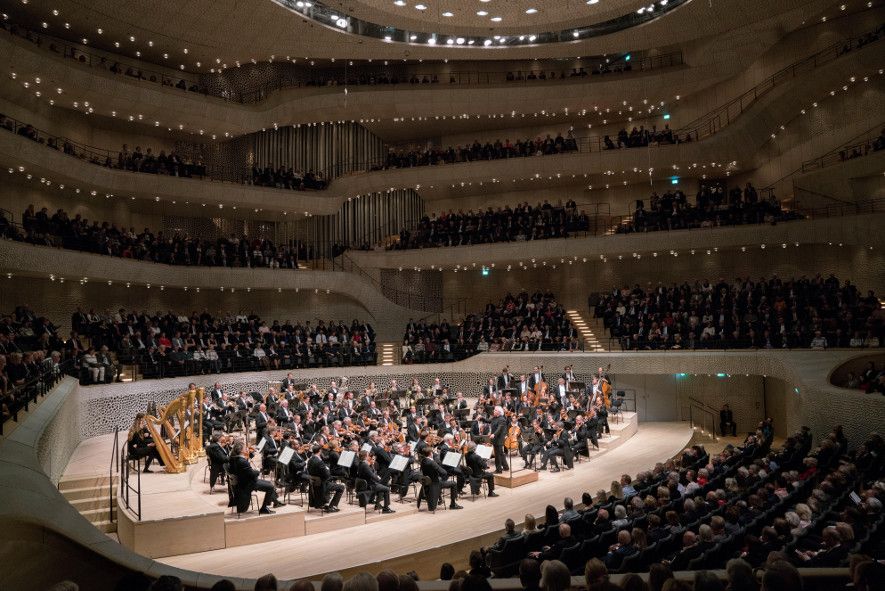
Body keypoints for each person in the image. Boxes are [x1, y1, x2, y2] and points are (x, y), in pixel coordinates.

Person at [229, 440, 284, 514]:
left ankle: (275, 501)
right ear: (241, 451)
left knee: (269, 483)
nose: (247, 449)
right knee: (270, 486)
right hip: (248, 484)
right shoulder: (242, 461)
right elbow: (251, 474)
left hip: (245, 481)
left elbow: (247, 471)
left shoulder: (235, 458)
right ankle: (264, 508)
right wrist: (258, 470)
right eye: (246, 448)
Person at [308, 445, 344, 512]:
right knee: (341, 487)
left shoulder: (310, 460)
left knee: (332, 481)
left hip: (314, 484)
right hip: (322, 485)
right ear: (320, 451)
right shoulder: (319, 462)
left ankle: (326, 502)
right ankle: (332, 506)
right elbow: (327, 475)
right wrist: (327, 470)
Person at [490, 406, 509, 473]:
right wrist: (482, 418)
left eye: (495, 410)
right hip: (495, 439)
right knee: (501, 454)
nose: (494, 411)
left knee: (497, 455)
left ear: (499, 412)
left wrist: (494, 434)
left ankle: (499, 470)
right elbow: (488, 421)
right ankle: (506, 467)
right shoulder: (494, 418)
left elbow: (499, 428)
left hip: (499, 439)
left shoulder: (501, 419)